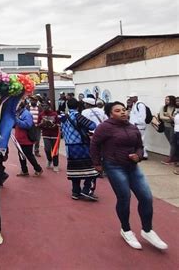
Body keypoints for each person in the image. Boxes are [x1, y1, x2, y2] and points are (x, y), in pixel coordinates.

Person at [90, 101, 168, 250]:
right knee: (124, 197)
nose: (123, 112)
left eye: (124, 110)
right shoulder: (104, 128)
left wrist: (138, 156)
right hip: (114, 166)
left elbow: (139, 145)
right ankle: (126, 230)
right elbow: (94, 145)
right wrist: (97, 164)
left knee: (146, 197)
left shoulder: (132, 127)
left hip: (133, 167)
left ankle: (147, 230)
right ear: (110, 114)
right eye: (118, 111)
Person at [60, 98, 98, 200]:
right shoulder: (78, 116)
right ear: (78, 106)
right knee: (91, 169)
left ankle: (75, 192)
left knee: (75, 170)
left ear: (68, 106)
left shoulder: (63, 117)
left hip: (69, 147)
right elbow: (92, 125)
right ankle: (87, 190)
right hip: (81, 146)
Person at [14, 101, 43, 176]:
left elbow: (28, 125)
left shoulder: (26, 114)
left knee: (29, 155)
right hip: (20, 139)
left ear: (20, 106)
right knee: (21, 155)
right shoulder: (19, 113)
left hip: (26, 139)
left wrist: (16, 120)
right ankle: (24, 170)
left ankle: (38, 169)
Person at [38, 103, 60, 172]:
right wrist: (41, 124)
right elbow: (38, 124)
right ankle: (49, 159)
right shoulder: (41, 114)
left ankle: (55, 165)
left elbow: (58, 123)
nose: (45, 107)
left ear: (49, 106)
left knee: (55, 150)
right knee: (47, 149)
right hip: (46, 134)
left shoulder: (54, 114)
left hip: (54, 135)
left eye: (46, 106)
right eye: (43, 106)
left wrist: (55, 125)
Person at [127, 93, 148, 159]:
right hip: (135, 126)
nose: (130, 99)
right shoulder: (135, 105)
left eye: (131, 97)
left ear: (135, 97)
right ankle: (140, 153)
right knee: (137, 140)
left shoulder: (140, 105)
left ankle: (144, 154)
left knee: (141, 140)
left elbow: (142, 116)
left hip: (139, 126)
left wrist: (136, 123)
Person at [159, 95, 176, 165]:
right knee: (171, 142)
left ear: (172, 100)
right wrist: (170, 118)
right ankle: (174, 156)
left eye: (168, 100)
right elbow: (161, 116)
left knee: (173, 143)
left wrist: (170, 118)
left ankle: (171, 157)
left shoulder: (175, 108)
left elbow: (175, 119)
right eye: (165, 99)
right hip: (166, 127)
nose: (166, 101)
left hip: (173, 127)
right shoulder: (163, 107)